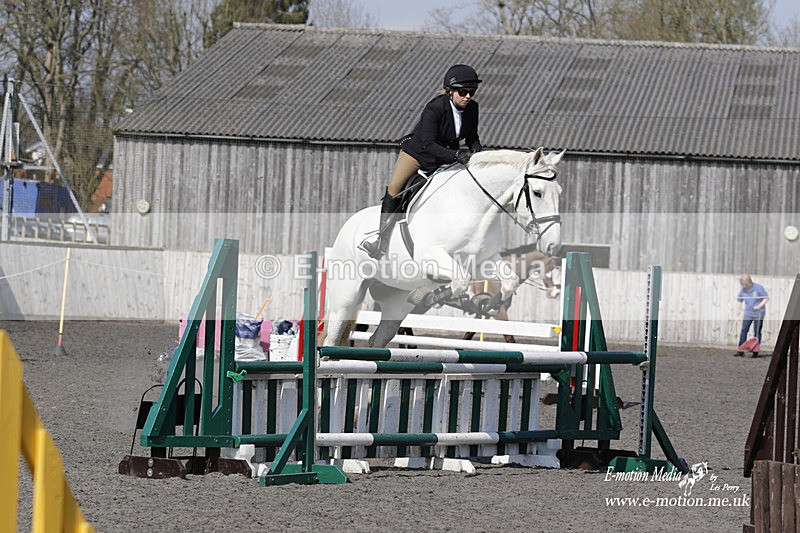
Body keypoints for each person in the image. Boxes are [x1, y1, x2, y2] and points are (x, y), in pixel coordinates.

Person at [361, 64, 483, 259]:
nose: (468, 96)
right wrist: (456, 156)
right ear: (450, 91)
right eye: (463, 91)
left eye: (472, 92)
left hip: (446, 159)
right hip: (418, 155)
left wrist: (479, 156)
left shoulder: (472, 108)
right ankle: (380, 239)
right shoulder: (435, 108)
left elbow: (472, 137)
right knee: (395, 187)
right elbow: (428, 143)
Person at [735, 274, 768, 357]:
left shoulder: (758, 288)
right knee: (744, 330)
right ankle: (740, 349)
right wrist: (738, 310)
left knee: (757, 332)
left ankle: (755, 351)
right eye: (743, 285)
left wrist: (759, 306)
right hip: (748, 313)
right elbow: (740, 300)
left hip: (759, 313)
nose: (744, 286)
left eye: (745, 285)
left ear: (749, 283)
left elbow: (766, 298)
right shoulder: (743, 290)